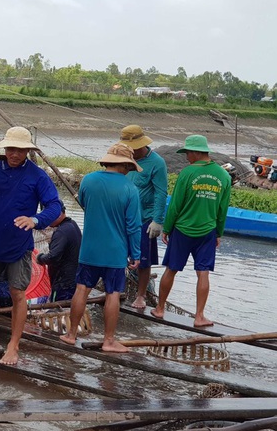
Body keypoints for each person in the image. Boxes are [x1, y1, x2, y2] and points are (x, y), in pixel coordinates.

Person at [0, 126, 62, 365]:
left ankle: (13, 345)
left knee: (18, 293)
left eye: (18, 150)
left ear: (27, 151)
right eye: (10, 149)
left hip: (19, 247)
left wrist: (35, 220)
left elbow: (55, 206)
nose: (13, 154)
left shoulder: (37, 176)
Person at [60, 143, 141, 353]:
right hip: (115, 252)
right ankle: (109, 340)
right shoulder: (130, 189)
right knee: (113, 293)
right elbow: (133, 225)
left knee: (82, 289)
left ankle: (71, 334)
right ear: (125, 165)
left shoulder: (88, 180)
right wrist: (136, 253)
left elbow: (85, 202)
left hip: (89, 249)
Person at [151, 135, 231, 327]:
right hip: (207, 231)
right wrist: (218, 233)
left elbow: (175, 205)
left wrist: (167, 228)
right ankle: (199, 316)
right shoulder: (223, 176)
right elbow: (222, 209)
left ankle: (160, 309)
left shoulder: (187, 174)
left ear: (196, 152)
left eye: (187, 153)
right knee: (203, 272)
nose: (186, 157)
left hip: (183, 230)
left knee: (171, 269)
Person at [118, 125, 168, 309]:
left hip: (144, 218)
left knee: (143, 259)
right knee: (118, 253)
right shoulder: (123, 158)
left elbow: (161, 193)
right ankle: (116, 287)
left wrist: (157, 220)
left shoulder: (157, 163)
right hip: (122, 215)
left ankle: (140, 295)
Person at [36, 205, 82, 302]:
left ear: (59, 214)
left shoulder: (62, 232)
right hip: (74, 278)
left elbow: (53, 257)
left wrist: (40, 258)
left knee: (59, 308)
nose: (47, 220)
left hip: (63, 283)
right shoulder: (72, 224)